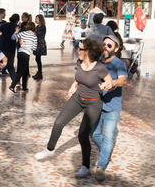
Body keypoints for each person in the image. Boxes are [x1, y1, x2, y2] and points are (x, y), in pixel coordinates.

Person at [35, 38, 113, 179]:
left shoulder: (99, 68)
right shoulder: (79, 63)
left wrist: (106, 85)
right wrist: (73, 86)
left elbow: (110, 82)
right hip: (78, 98)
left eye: (80, 48)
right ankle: (49, 149)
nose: (78, 50)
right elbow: (78, 78)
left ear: (87, 52)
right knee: (59, 122)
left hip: (93, 103)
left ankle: (85, 167)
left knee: (83, 135)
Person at [92, 35, 127, 182]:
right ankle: (106, 153)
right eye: (104, 44)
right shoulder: (98, 61)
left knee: (108, 136)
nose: (105, 47)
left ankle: (101, 166)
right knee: (93, 134)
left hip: (112, 106)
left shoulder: (119, 64)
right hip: (97, 103)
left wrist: (112, 83)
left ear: (116, 49)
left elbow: (122, 80)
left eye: (109, 45)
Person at [0, 13, 20, 85]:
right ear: (17, 20)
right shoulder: (17, 27)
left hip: (2, 48)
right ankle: (17, 82)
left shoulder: (4, 24)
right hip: (11, 50)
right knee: (10, 67)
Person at [9, 22, 38, 93]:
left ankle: (24, 87)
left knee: (24, 70)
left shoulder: (22, 33)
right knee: (22, 71)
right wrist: (29, 45)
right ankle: (12, 86)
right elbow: (34, 48)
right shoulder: (34, 36)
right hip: (26, 54)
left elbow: (12, 37)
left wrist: (16, 31)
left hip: (20, 52)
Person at [33, 14, 47, 81]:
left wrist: (34, 33)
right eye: (35, 18)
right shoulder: (37, 26)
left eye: (37, 18)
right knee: (37, 59)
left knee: (38, 59)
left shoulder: (42, 26)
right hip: (37, 43)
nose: (36, 20)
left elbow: (38, 34)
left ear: (40, 19)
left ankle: (40, 73)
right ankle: (39, 73)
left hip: (40, 44)